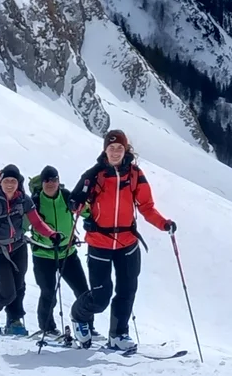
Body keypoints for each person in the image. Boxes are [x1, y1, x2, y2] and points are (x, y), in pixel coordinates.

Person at [68, 129, 175, 354]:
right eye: (111, 148)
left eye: (119, 148)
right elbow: (76, 200)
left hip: (127, 242)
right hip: (99, 241)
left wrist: (164, 223)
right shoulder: (94, 175)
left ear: (125, 150)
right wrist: (76, 205)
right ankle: (79, 316)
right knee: (100, 297)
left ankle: (118, 334)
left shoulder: (135, 174)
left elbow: (146, 207)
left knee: (127, 289)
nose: (115, 152)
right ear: (104, 150)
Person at [0, 164, 60, 336]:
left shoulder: (23, 199)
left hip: (18, 246)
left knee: (19, 286)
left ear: (18, 182)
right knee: (7, 292)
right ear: (1, 182)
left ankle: (14, 319)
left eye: (13, 181)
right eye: (6, 180)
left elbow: (36, 222)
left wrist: (51, 234)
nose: (10, 184)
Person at [29, 164, 88, 342]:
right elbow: (26, 221)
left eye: (54, 179)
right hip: (43, 255)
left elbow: (85, 211)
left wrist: (92, 216)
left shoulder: (67, 196)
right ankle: (47, 328)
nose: (50, 183)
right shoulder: (36, 201)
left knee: (83, 292)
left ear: (58, 181)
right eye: (47, 180)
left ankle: (86, 326)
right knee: (48, 293)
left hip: (68, 253)